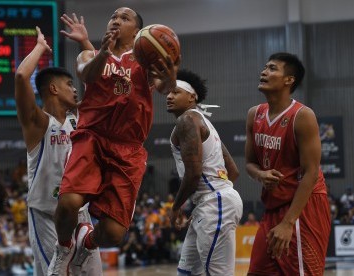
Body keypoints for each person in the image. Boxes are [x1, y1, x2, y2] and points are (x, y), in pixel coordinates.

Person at [47, 6, 177, 275]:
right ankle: (62, 249)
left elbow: (164, 88)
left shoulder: (145, 61)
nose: (116, 20)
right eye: (113, 17)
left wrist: (169, 77)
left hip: (128, 149)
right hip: (92, 138)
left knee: (114, 233)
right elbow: (86, 75)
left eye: (124, 18)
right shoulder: (91, 54)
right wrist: (102, 52)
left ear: (137, 31)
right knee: (69, 202)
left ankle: (87, 242)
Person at [14, 21, 102, 275]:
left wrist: (85, 43)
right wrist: (40, 47)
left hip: (79, 214)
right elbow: (21, 76)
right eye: (69, 85)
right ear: (53, 89)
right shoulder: (38, 123)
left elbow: (100, 81)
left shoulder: (80, 118)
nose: (75, 89)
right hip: (46, 216)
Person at [245, 52, 331, 275]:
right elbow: (249, 164)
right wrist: (260, 175)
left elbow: (311, 172)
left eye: (272, 68)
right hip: (273, 206)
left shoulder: (302, 116)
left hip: (304, 205)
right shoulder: (254, 115)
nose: (264, 72)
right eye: (265, 67)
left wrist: (288, 223)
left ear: (288, 80)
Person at [166, 69, 243, 275]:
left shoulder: (187, 120)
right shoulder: (204, 121)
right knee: (187, 271)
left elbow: (193, 174)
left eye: (175, 92)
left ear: (192, 97)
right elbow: (233, 171)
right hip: (213, 202)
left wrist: (176, 207)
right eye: (168, 92)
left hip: (214, 203)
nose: (169, 96)